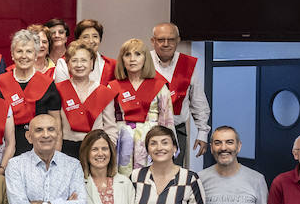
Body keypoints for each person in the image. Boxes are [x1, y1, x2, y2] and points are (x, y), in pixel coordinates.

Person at [0, 29, 61, 157]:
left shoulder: (48, 84)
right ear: (12, 55)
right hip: (6, 150)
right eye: (19, 51)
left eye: (29, 51)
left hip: (41, 149)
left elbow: (57, 126)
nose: (24, 56)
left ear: (36, 55)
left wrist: (55, 157)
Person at [150, 22, 210, 165]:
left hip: (177, 131)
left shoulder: (189, 64)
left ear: (178, 40)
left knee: (174, 177)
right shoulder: (143, 61)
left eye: (171, 39)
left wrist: (203, 132)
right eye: (160, 40)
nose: (166, 44)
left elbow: (198, 100)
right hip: (148, 131)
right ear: (153, 41)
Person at [111, 38, 175, 173]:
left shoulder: (160, 86)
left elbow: (166, 122)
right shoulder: (112, 87)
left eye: (137, 54)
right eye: (127, 54)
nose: (132, 59)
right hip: (122, 141)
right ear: (122, 59)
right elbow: (108, 122)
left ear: (146, 58)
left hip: (151, 140)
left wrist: (165, 145)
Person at [55, 45, 118, 159]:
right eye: (74, 61)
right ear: (68, 64)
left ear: (91, 63)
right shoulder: (58, 90)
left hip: (95, 148)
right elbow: (55, 126)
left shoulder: (103, 92)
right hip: (66, 148)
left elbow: (110, 127)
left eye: (83, 60)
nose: (79, 65)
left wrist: (107, 150)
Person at [54, 19, 115, 84]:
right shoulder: (64, 63)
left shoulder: (112, 65)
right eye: (86, 37)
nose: (91, 41)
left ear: (100, 39)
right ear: (78, 40)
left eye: (95, 36)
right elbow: (62, 90)